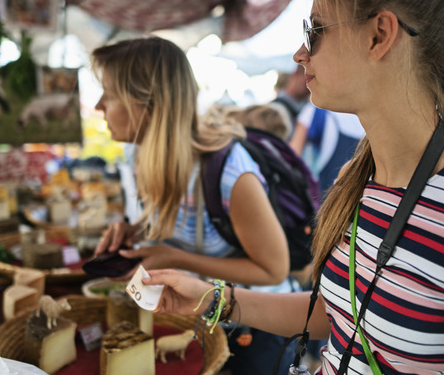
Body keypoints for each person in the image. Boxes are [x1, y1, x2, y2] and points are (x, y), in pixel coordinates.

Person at [142, 0, 444, 375]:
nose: (300, 54)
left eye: (315, 31)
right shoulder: (360, 176)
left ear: (379, 35)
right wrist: (213, 298)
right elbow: (342, 316)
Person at [90, 37, 295, 374]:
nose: (99, 106)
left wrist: (175, 259)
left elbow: (274, 270)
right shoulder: (141, 156)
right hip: (197, 318)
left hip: (253, 330)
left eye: (109, 94)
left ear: (148, 103)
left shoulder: (229, 171)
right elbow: (180, 221)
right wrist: (135, 230)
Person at [290, 104, 365, 197]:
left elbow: (292, 154)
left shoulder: (315, 109)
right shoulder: (366, 115)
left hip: (318, 193)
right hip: (354, 196)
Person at [271, 65, 310, 139]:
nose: (310, 87)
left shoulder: (307, 108)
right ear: (296, 74)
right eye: (307, 81)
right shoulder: (276, 108)